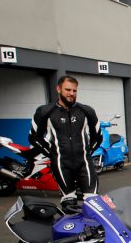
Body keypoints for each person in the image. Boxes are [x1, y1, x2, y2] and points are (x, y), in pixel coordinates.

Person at [29, 75, 102, 205]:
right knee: (69, 204)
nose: (71, 94)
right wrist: (51, 153)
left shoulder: (87, 111)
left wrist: (87, 151)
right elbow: (34, 137)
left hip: (84, 163)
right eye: (68, 90)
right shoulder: (44, 111)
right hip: (61, 164)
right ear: (58, 89)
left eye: (74, 91)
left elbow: (98, 136)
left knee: (93, 203)